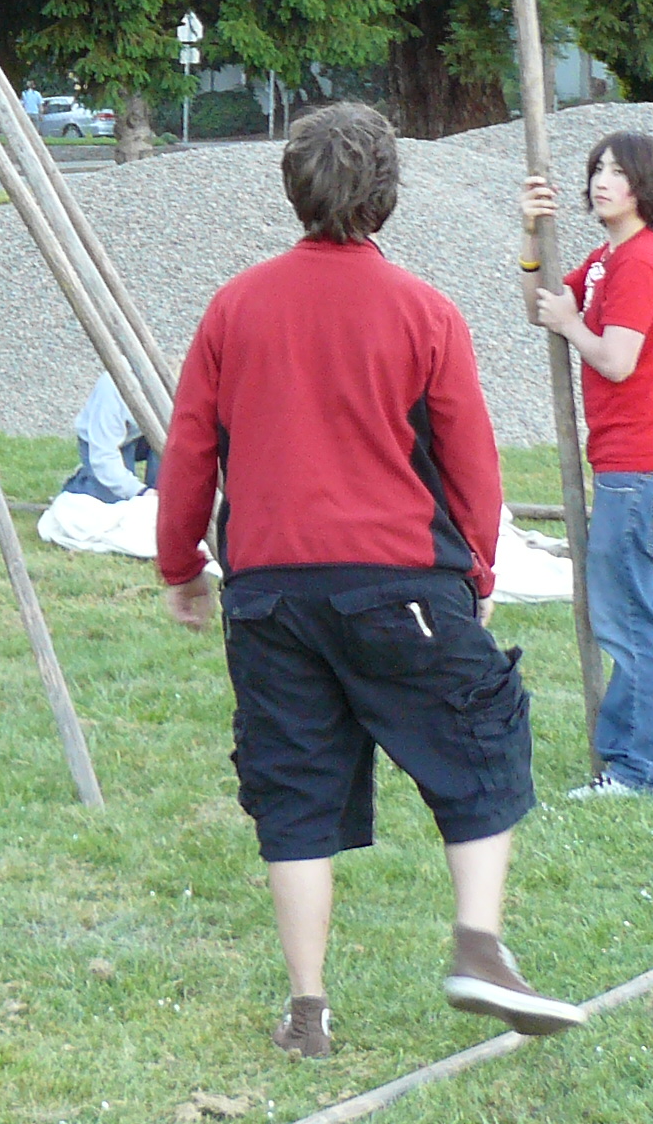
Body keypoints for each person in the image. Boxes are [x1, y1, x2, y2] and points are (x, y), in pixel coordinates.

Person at [156, 102, 582, 1061]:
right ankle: (478, 948)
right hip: (401, 585)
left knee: (293, 788)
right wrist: (478, 569)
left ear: (293, 190)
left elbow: (188, 449)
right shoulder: (424, 312)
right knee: (482, 739)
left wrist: (181, 564)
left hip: (269, 592)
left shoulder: (234, 307)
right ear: (388, 196)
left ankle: (308, 1010)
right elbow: (470, 461)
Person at [523, 132, 653, 803]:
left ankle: (640, 769)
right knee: (640, 609)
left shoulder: (641, 263)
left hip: (643, 464)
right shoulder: (607, 259)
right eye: (597, 169)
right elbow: (540, 305)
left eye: (618, 172)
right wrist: (531, 234)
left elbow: (617, 360)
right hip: (631, 460)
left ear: (646, 186)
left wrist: (573, 326)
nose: (602, 181)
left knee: (627, 618)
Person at [62, 374, 154, 503]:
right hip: (100, 441)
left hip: (145, 436)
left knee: (168, 496)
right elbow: (104, 454)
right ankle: (79, 485)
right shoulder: (113, 388)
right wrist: (141, 492)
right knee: (112, 502)